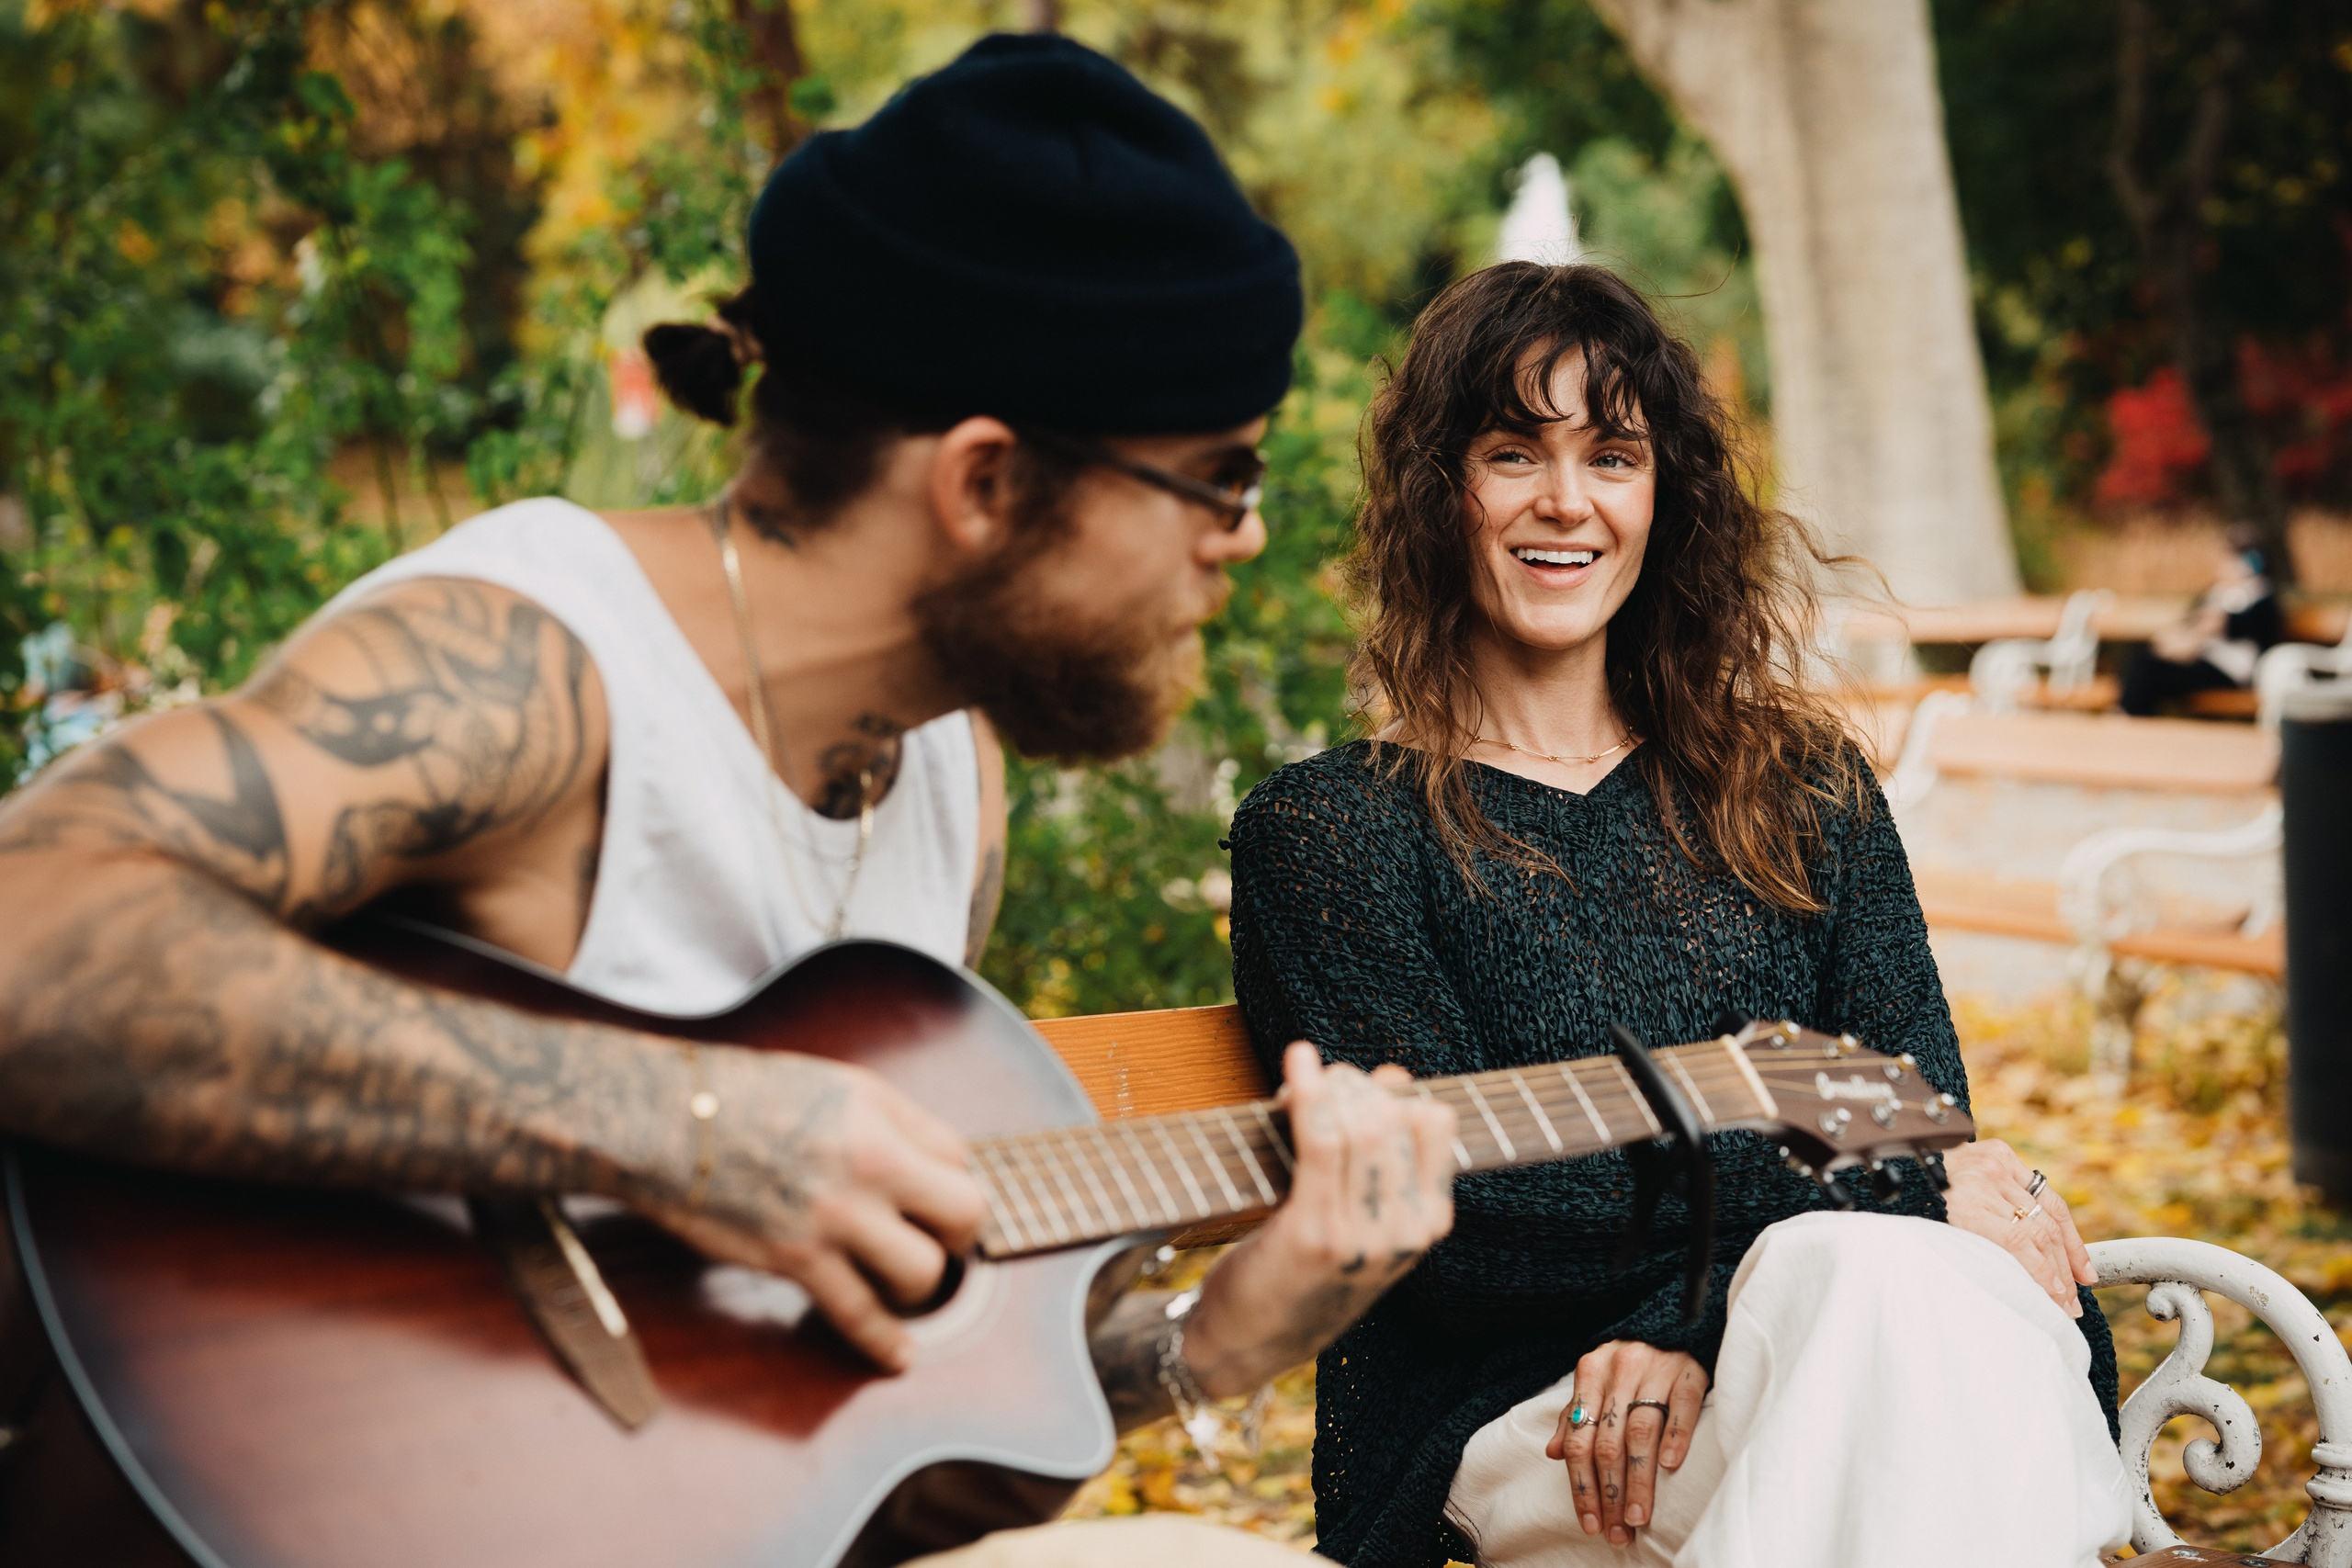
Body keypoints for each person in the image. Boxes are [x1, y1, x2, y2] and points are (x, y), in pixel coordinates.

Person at [0, 36, 1457, 1566]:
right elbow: (35, 930)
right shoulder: (530, 661)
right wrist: (683, 1127)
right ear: (983, 482)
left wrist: (1215, 1341)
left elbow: (836, 1456)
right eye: (1218, 479)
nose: (1243, 541)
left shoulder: (946, 780)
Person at [1227, 263, 2132, 1568]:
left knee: (1866, 1293)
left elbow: (1906, 1111)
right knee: (1873, 1291)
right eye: (1511, 452)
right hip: (1532, 1415)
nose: (1565, 501)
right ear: (1442, 490)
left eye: (1612, 454)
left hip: (1831, 1340)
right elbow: (1461, 1225)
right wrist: (1798, 1224)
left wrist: (1690, 1317)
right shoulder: (1333, 834)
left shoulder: (1801, 785)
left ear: (1665, 495)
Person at [2119, 526, 2284, 716]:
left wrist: (2218, 625)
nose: (2221, 564)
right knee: (2142, 661)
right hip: (2201, 660)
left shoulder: (2260, 595)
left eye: (2228, 559)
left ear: (2249, 563)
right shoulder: (2216, 592)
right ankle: (2128, 716)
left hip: (2230, 672)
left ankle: (2127, 718)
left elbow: (2256, 628)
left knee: (2150, 671)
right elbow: (2190, 622)